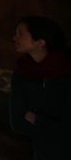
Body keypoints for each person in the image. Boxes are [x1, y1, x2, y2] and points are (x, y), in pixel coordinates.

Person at [9, 16, 71, 160]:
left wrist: (37, 119)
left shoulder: (66, 72)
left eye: (20, 34)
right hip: (43, 152)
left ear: (40, 42)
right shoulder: (22, 73)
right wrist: (53, 124)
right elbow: (17, 123)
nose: (14, 38)